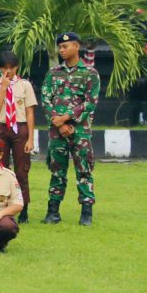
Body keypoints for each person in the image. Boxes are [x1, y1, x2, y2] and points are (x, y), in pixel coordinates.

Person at [39, 31, 100, 226]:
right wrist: (58, 122)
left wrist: (67, 119)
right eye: (60, 47)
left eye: (66, 46)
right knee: (57, 170)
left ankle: (86, 213)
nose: (62, 50)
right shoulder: (53, 73)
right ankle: (53, 212)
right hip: (57, 131)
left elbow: (90, 102)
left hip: (80, 131)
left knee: (84, 170)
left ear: (77, 46)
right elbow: (45, 99)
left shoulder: (90, 73)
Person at [0, 50, 37, 222]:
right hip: (0, 129)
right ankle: (1, 206)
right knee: (1, 169)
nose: (8, 71)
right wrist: (3, 88)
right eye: (5, 68)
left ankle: (23, 209)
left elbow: (30, 112)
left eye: (12, 67)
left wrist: (30, 138)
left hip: (20, 128)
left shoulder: (24, 85)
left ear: (17, 67)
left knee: (22, 170)